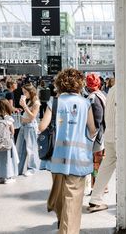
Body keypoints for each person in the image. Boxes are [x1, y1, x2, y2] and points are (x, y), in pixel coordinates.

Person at [39, 68, 96, 233]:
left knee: (60, 194)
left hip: (57, 158)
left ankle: (60, 218)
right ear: (80, 84)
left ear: (60, 84)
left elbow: (42, 127)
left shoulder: (55, 102)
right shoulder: (86, 104)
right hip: (78, 159)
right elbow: (92, 129)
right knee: (73, 199)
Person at [88, 84, 116, 213]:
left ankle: (95, 198)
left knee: (105, 166)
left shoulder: (112, 90)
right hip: (120, 136)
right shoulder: (101, 94)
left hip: (110, 134)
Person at [85, 74, 106, 195]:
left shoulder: (92, 98)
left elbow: (97, 118)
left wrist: (92, 134)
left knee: (96, 163)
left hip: (96, 137)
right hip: (102, 135)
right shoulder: (102, 95)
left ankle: (97, 186)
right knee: (99, 162)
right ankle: (101, 186)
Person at [16, 83, 40, 176]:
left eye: (25, 92)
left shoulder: (36, 102)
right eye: (23, 92)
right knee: (20, 148)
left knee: (31, 149)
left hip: (30, 127)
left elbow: (32, 117)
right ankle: (18, 168)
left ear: (31, 92)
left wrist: (24, 106)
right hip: (23, 125)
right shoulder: (30, 101)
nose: (24, 94)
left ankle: (32, 168)